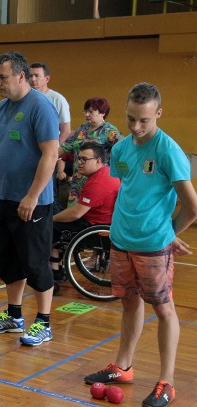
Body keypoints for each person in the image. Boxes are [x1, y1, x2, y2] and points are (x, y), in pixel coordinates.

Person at [84, 83, 197, 407]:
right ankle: (123, 367)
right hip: (121, 240)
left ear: (158, 113)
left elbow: (192, 206)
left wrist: (167, 232)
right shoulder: (119, 149)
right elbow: (129, 189)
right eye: (131, 118)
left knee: (164, 310)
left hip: (153, 246)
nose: (136, 127)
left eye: (144, 120)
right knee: (130, 302)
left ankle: (167, 383)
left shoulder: (168, 151)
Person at [0, 51, 59, 346]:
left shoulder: (41, 107)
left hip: (33, 201)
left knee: (36, 263)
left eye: (3, 77)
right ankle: (15, 316)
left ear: (21, 76)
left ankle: (44, 322)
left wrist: (32, 196)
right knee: (7, 261)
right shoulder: (0, 109)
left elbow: (51, 154)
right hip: (3, 197)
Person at [50, 142, 120, 281]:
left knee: (50, 227)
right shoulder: (107, 172)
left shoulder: (97, 182)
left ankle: (54, 270)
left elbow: (76, 213)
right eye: (78, 158)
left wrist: (52, 219)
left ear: (98, 161)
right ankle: (58, 264)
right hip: (102, 222)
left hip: (94, 228)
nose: (79, 163)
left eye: (84, 159)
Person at [60, 97, 122, 207]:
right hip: (77, 182)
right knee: (73, 214)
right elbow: (65, 147)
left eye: (91, 112)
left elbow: (125, 150)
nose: (87, 114)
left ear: (102, 113)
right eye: (86, 111)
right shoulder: (82, 129)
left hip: (97, 183)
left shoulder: (109, 131)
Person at [29, 62, 71, 144]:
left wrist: (55, 151)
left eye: (37, 76)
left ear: (47, 79)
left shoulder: (57, 99)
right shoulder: (25, 99)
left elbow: (65, 130)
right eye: (30, 76)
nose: (33, 79)